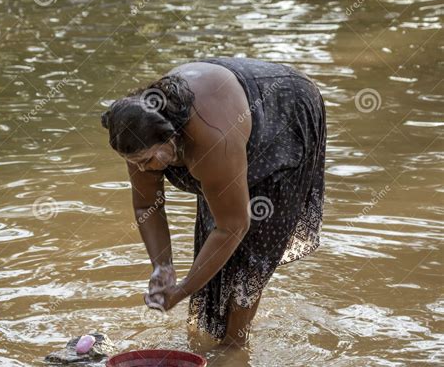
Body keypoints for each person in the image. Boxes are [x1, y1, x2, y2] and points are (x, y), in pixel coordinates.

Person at [101, 57, 326, 347]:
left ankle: (234, 350)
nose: (142, 169)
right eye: (134, 163)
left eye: (147, 160)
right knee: (214, 238)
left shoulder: (211, 141)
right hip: (225, 114)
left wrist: (182, 291)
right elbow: (147, 207)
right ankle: (215, 335)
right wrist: (162, 266)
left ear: (172, 137)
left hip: (285, 111)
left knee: (252, 248)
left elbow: (232, 226)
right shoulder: (136, 133)